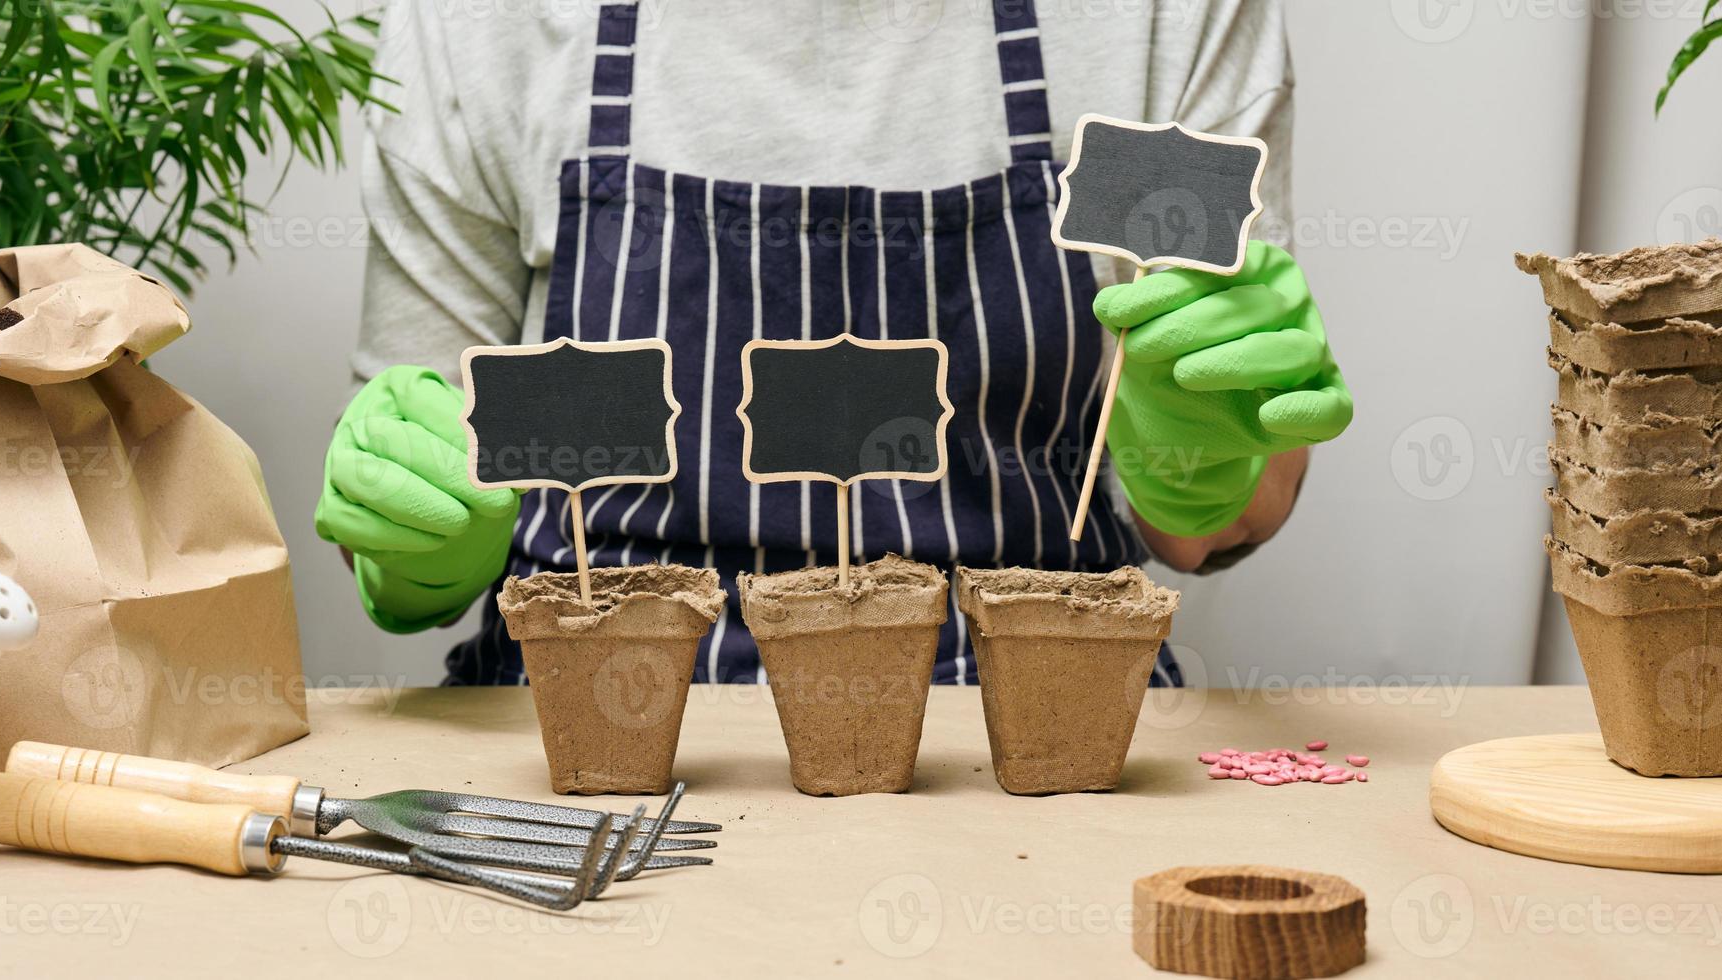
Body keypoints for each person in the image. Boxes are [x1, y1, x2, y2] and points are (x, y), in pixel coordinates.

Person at [314, 0, 1352, 687]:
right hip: (590, 726)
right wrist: (423, 540)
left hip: (1035, 731)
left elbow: (1225, 516)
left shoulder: (1149, 16)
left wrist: (1199, 453)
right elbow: (422, 445)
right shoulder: (487, 20)